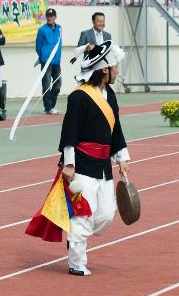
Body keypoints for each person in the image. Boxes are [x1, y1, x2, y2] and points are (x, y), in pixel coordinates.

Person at [24, 42, 129, 276]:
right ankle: (77, 263)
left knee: (105, 216)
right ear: (104, 70)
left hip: (103, 166)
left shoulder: (110, 95)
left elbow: (116, 129)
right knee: (83, 216)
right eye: (115, 67)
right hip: (82, 166)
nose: (117, 71)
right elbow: (69, 132)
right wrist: (69, 164)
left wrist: (121, 157)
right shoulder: (79, 97)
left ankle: (76, 239)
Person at [36, 8, 62, 115]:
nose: (49, 18)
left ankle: (51, 105)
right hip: (46, 62)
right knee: (46, 85)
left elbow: (59, 44)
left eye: (51, 16)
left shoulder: (60, 28)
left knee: (58, 85)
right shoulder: (42, 30)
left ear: (55, 17)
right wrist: (43, 57)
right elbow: (38, 46)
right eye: (48, 16)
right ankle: (48, 107)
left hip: (57, 62)